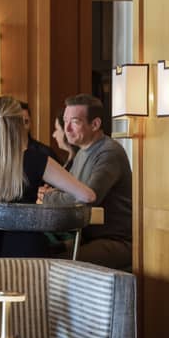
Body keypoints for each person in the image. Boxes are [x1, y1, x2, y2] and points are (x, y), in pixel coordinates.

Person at [0, 95, 95, 258]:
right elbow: (88, 196)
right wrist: (52, 195)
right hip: (29, 262)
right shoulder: (38, 160)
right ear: (20, 125)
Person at [41, 93, 133, 269]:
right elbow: (69, 192)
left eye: (75, 122)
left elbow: (86, 199)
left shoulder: (109, 153)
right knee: (38, 251)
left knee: (54, 264)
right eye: (65, 121)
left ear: (95, 124)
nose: (67, 129)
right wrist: (51, 194)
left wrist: (47, 197)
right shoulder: (82, 152)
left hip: (115, 241)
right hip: (85, 237)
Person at [19, 99, 65, 164]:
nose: (23, 126)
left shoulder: (45, 152)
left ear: (31, 123)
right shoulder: (5, 151)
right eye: (19, 122)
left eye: (26, 122)